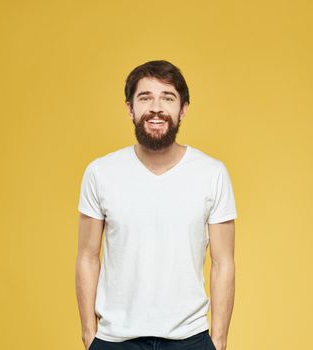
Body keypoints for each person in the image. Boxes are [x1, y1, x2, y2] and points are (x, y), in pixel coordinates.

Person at [75, 60, 237, 350]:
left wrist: (219, 340)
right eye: (145, 97)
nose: (156, 107)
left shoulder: (212, 174)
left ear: (183, 109)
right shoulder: (100, 173)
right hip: (115, 340)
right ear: (130, 108)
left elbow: (223, 262)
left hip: (190, 339)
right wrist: (89, 334)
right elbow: (88, 255)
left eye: (168, 98)